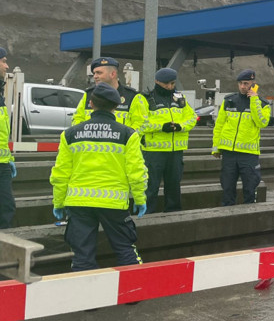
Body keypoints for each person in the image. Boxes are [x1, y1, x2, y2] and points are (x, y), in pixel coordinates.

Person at [50, 83, 148, 271]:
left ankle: (86, 298)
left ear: (91, 104)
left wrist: (58, 202)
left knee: (81, 255)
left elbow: (60, 173)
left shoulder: (70, 134)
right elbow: (136, 171)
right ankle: (133, 294)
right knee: (125, 249)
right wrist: (139, 197)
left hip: (79, 202)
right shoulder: (128, 134)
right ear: (116, 106)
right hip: (113, 203)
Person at [140, 68, 197, 213]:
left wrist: (180, 127)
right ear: (157, 82)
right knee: (150, 187)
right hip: (154, 152)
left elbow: (192, 118)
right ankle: (146, 215)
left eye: (172, 83)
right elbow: (138, 124)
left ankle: (173, 215)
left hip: (175, 151)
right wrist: (161, 127)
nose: (170, 87)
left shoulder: (179, 99)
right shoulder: (145, 98)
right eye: (166, 84)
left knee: (173, 187)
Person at [213, 69, 271, 205]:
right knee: (227, 188)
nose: (243, 86)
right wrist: (216, 148)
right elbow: (219, 125)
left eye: (246, 83)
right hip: (229, 153)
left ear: (253, 84)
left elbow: (261, 122)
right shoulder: (229, 100)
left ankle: (249, 218)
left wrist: (254, 100)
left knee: (250, 189)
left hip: (249, 154)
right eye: (240, 83)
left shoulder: (262, 104)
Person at [72, 56, 147, 130]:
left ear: (113, 74)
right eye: (94, 73)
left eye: (99, 73)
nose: (95, 76)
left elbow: (141, 123)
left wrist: (123, 136)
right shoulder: (88, 94)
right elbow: (77, 119)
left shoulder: (132, 96)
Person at [0, 47, 16, 228]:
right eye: (3, 61)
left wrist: (8, 159)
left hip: (2, 164)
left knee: (6, 209)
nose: (7, 65)